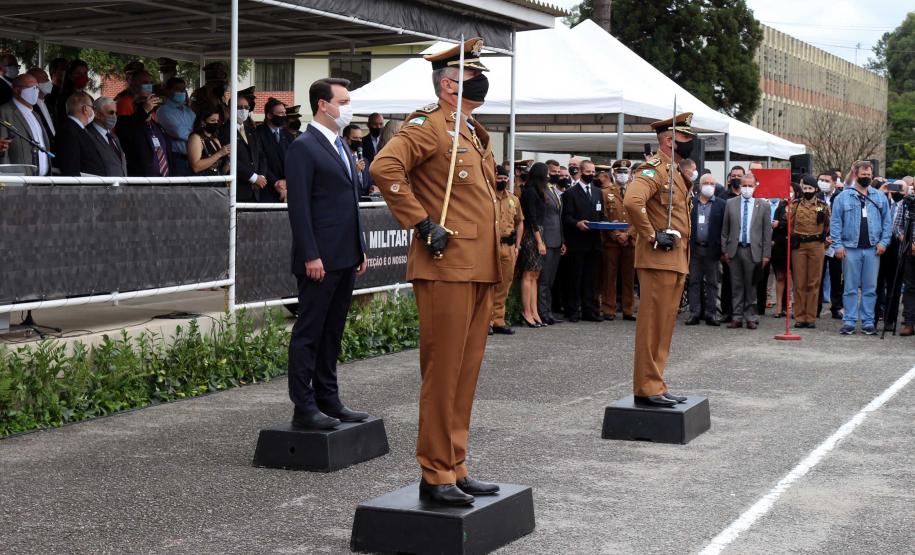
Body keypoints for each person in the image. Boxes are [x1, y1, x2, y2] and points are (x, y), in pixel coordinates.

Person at [371, 37, 502, 506]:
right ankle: (435, 472)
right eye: (474, 75)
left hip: (477, 267)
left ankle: (456, 463)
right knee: (443, 372)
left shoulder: (469, 129)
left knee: (464, 373)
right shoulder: (429, 126)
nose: (482, 81)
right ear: (450, 85)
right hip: (446, 266)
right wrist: (422, 222)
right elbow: (384, 167)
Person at [285, 77, 369, 431]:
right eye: (343, 100)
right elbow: (299, 207)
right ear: (323, 104)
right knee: (309, 332)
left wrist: (359, 247)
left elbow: (349, 203)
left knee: (333, 331)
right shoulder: (304, 147)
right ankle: (303, 405)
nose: (347, 107)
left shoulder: (342, 145)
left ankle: (328, 398)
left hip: (345, 255)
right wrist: (310, 254)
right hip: (319, 259)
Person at [623, 112, 695, 407]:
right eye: (686, 138)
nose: (691, 142)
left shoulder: (675, 172)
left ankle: (656, 382)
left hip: (675, 258)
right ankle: (647, 386)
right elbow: (632, 201)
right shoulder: (654, 170)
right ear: (669, 140)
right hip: (658, 257)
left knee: (664, 324)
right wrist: (651, 234)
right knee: (653, 324)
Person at [830, 160, 892, 335]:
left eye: (869, 175)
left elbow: (887, 222)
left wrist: (883, 242)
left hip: (873, 249)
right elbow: (835, 223)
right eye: (863, 175)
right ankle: (849, 321)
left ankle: (867, 321)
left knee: (870, 288)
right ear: (856, 174)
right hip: (850, 248)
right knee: (849, 287)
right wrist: (838, 245)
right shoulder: (843, 197)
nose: (867, 177)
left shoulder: (879, 197)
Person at [722, 173, 772, 329]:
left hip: (753, 251)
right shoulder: (730, 203)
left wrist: (766, 254)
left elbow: (766, 232)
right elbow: (725, 229)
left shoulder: (763, 205)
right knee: (736, 285)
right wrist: (725, 250)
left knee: (751, 286)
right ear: (739, 185)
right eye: (744, 185)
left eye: (750, 186)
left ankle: (750, 316)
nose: (747, 188)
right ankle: (737, 317)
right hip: (735, 250)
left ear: (755, 186)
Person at [562, 159, 604, 322]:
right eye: (588, 172)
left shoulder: (597, 192)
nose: (591, 175)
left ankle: (590, 311)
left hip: (594, 242)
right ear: (580, 171)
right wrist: (577, 223)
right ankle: (572, 311)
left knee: (591, 279)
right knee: (575, 278)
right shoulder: (570, 193)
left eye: (593, 172)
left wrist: (609, 223)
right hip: (577, 242)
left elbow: (601, 215)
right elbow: (566, 217)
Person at [790, 175, 831, 328]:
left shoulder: (822, 205)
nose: (807, 191)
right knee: (800, 282)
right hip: (799, 246)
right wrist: (792, 236)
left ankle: (811, 317)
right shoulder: (796, 205)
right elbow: (791, 222)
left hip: (816, 245)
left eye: (810, 188)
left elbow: (827, 224)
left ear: (816, 189)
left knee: (813, 282)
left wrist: (824, 236)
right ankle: (800, 316)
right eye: (805, 188)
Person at [686, 175, 726, 325]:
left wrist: (723, 249)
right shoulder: (691, 202)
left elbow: (724, 228)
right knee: (694, 282)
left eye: (712, 184)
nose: (709, 186)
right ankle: (694, 313)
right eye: (706, 183)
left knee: (712, 283)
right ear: (700, 186)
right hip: (694, 248)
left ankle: (711, 313)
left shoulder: (721, 205)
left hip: (712, 250)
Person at [600, 159, 636, 321]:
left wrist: (627, 234)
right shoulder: (605, 192)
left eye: (625, 172)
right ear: (613, 174)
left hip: (630, 240)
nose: (623, 175)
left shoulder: (635, 192)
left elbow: (639, 216)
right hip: (611, 241)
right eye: (620, 172)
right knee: (609, 276)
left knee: (629, 277)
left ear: (629, 174)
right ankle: (609, 309)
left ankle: (628, 309)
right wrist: (615, 234)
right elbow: (604, 216)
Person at [491, 164, 523, 334]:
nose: (502, 181)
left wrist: (517, 246)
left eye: (505, 179)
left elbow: (520, 222)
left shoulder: (513, 199)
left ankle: (498, 320)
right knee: (490, 285)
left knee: (505, 284)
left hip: (508, 246)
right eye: (499, 178)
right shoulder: (487, 198)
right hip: (491, 247)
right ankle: (487, 321)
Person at [0, 73, 51, 175]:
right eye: (31, 87)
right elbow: (3, 150)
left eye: (37, 87)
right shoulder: (4, 112)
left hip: (42, 182)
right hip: (19, 182)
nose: (36, 91)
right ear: (17, 90)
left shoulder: (35, 115)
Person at [115, 88, 173, 177]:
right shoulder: (125, 122)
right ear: (135, 104)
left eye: (151, 99)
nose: (149, 102)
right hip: (142, 181)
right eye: (144, 100)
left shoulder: (158, 126)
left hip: (164, 180)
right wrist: (143, 110)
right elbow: (129, 130)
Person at [518, 162, 548, 328]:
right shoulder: (529, 192)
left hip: (538, 232)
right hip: (531, 234)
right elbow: (531, 219)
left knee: (535, 275)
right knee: (529, 274)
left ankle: (534, 311)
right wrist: (539, 241)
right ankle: (526, 312)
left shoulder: (538, 191)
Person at [538, 161, 566, 325]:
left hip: (556, 240)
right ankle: (543, 312)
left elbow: (558, 218)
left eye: (557, 171)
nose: (555, 174)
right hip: (546, 239)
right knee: (544, 280)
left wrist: (562, 239)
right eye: (553, 171)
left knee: (551, 280)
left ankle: (548, 311)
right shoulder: (542, 190)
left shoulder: (554, 191)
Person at [55, 91, 106, 177]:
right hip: (83, 188)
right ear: (85, 109)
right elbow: (70, 169)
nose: (93, 111)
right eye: (92, 107)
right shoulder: (69, 131)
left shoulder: (78, 129)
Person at [817, 171, 844, 319]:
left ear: (834, 182)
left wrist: (833, 237)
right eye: (821, 180)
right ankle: (817, 306)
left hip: (836, 242)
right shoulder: (816, 197)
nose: (823, 183)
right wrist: (823, 237)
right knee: (818, 276)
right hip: (819, 241)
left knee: (836, 275)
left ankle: (836, 306)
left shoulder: (841, 196)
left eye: (826, 180)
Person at [155, 77, 195, 176]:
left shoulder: (189, 111)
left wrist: (195, 133)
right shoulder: (163, 111)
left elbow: (199, 128)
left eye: (183, 90)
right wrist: (195, 135)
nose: (182, 92)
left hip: (193, 158)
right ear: (168, 91)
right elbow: (180, 133)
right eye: (178, 90)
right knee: (179, 189)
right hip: (177, 159)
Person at [256, 97, 292, 202]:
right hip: (267, 188)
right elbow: (260, 160)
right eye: (280, 113)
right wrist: (276, 182)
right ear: (269, 115)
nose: (284, 116)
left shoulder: (288, 135)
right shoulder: (258, 133)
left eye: (284, 113)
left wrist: (286, 181)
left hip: (287, 189)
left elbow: (293, 161)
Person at [233, 94, 268, 201]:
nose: (243, 110)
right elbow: (231, 159)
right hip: (239, 190)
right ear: (230, 109)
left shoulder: (251, 130)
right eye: (239, 107)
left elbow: (261, 155)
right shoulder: (226, 130)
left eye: (246, 107)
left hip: (256, 190)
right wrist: (253, 178)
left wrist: (261, 177)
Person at [892, 189, 915, 336]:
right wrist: (907, 242)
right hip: (908, 252)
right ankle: (909, 323)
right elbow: (896, 227)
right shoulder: (905, 203)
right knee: (910, 288)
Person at [87, 96, 128, 177]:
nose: (115, 117)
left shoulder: (113, 137)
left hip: (121, 187)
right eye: (111, 112)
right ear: (97, 114)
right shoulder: (88, 135)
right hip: (104, 187)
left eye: (116, 113)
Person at [187, 106, 229, 176]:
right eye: (212, 120)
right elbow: (196, 167)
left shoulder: (215, 139)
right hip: (203, 185)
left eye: (217, 121)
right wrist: (220, 154)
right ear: (203, 122)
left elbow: (221, 169)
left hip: (219, 183)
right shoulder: (196, 138)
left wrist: (228, 161)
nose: (215, 123)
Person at [341, 123, 376, 196]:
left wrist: (372, 187)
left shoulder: (365, 160)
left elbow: (368, 182)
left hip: (366, 204)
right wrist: (355, 172)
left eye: (360, 138)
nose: (358, 141)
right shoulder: (341, 159)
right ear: (346, 139)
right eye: (355, 138)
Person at [26, 68, 56, 141]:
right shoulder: (29, 106)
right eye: (45, 79)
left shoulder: (49, 103)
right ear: (34, 82)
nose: (49, 81)